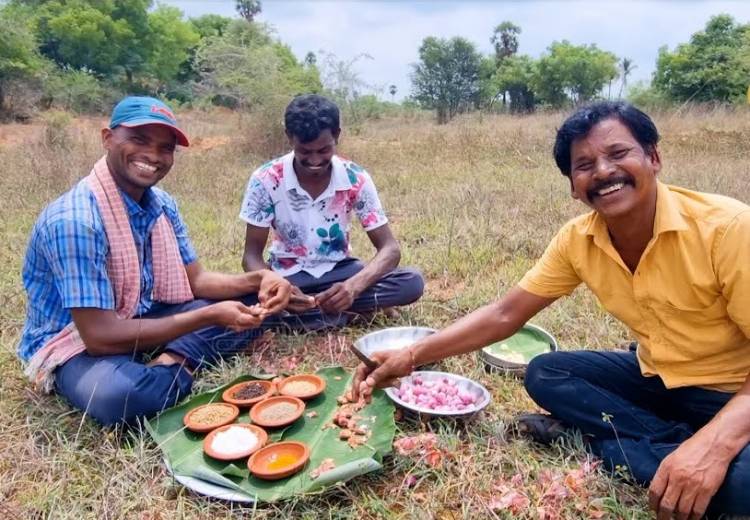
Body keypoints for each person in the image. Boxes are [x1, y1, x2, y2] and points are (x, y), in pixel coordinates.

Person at [352, 101, 750, 519]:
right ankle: (674, 445)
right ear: (573, 187)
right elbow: (506, 314)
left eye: (618, 154)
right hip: (661, 381)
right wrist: (411, 356)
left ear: (653, 157)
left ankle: (613, 446)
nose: (602, 172)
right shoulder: (578, 240)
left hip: (735, 394)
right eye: (584, 165)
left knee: (741, 491)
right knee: (547, 372)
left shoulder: (726, 229)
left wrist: (717, 444)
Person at [19, 96, 291, 426]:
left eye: (165, 147)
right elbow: (99, 337)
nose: (153, 155)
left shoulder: (161, 203)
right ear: (107, 138)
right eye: (139, 139)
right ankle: (184, 360)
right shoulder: (76, 221)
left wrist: (260, 279)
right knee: (123, 397)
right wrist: (206, 317)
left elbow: (197, 281)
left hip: (142, 313)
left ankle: (174, 357)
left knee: (255, 303)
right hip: (76, 339)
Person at [240, 94, 424, 330]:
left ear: (337, 135)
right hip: (288, 277)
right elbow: (251, 257)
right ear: (289, 137)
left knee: (411, 282)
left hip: (342, 273)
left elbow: (390, 249)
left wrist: (353, 288)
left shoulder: (355, 177)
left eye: (324, 150)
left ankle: (310, 316)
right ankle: (346, 313)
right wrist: (277, 287)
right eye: (305, 152)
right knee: (239, 299)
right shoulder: (265, 179)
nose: (315, 160)